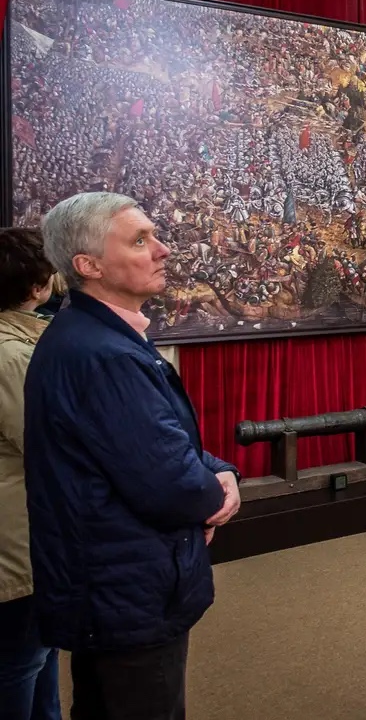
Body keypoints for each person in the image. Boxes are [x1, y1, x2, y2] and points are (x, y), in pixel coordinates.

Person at [23, 192, 243, 719]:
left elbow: (159, 442)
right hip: (128, 590)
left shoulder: (93, 336)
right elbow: (171, 484)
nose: (163, 249)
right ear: (89, 265)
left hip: (112, 583)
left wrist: (219, 470)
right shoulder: (105, 355)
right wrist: (216, 493)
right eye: (140, 240)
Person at [0, 229, 59, 720]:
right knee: (22, 663)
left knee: (38, 653)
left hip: (19, 533)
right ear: (38, 286)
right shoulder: (14, 357)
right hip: (18, 539)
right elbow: (43, 446)